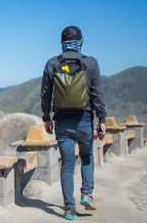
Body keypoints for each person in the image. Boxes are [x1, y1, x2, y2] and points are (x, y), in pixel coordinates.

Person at [40, 26, 106, 220]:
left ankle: (69, 209)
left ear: (62, 43)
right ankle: (87, 194)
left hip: (62, 122)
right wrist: (102, 120)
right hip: (85, 119)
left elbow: (46, 94)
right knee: (86, 157)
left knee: (67, 165)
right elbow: (97, 95)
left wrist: (46, 118)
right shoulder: (90, 63)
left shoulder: (53, 63)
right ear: (80, 42)